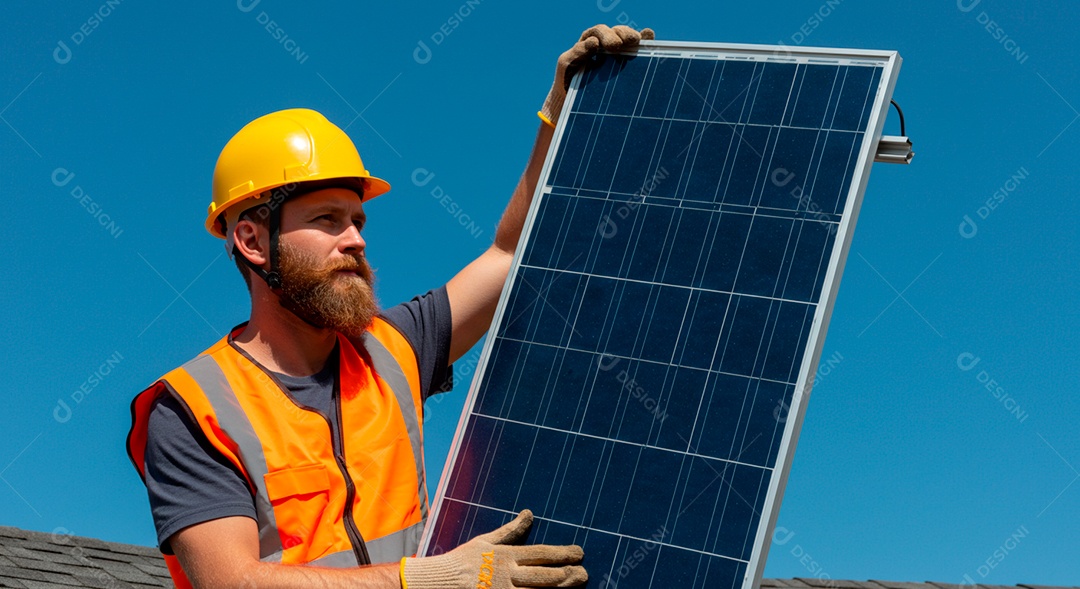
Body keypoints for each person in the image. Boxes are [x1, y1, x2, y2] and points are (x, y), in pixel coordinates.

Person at [126, 24, 654, 589]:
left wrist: (558, 112)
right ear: (253, 242)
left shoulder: (392, 346)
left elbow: (509, 253)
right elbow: (231, 582)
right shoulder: (193, 408)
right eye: (327, 219)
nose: (354, 239)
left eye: (358, 221)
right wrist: (431, 580)